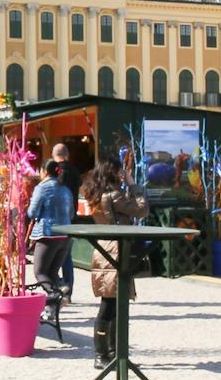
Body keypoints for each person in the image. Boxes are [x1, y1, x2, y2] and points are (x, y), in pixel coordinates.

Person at [80, 158, 149, 367]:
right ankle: (103, 354)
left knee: (112, 302)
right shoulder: (114, 194)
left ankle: (111, 353)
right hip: (117, 250)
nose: (122, 174)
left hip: (104, 248)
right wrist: (133, 185)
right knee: (111, 304)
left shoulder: (95, 193)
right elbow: (142, 209)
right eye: (120, 171)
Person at [26, 159, 75, 298]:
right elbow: (71, 213)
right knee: (52, 273)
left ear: (44, 171)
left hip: (47, 234)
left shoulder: (41, 188)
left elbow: (32, 212)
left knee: (40, 272)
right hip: (65, 235)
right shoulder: (66, 189)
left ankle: (57, 294)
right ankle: (56, 300)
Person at [52, 143, 81, 297]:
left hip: (55, 220)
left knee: (52, 256)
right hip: (71, 218)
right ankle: (68, 291)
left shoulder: (55, 172)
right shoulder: (75, 171)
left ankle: (55, 288)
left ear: (53, 155)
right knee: (66, 256)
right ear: (67, 154)